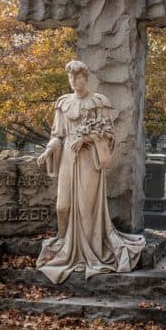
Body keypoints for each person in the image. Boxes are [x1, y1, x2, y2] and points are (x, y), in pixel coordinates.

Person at [36, 60, 145, 282]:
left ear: (87, 78)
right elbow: (58, 135)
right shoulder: (62, 103)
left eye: (78, 77)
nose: (74, 81)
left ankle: (90, 248)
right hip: (68, 158)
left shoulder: (98, 103)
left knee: (86, 209)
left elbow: (108, 134)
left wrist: (86, 138)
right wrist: (49, 150)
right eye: (70, 77)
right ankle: (65, 241)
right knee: (62, 205)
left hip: (89, 161)